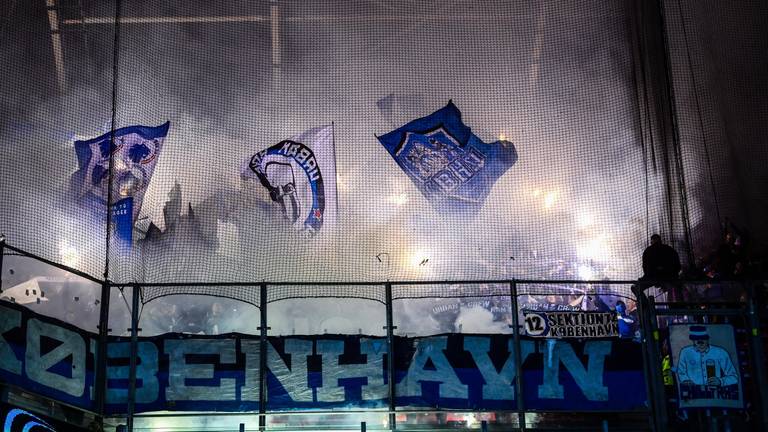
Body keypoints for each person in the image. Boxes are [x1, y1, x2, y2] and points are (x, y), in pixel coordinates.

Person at [676, 325, 739, 401]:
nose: (700, 342)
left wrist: (720, 381)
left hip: (716, 397)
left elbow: (734, 377)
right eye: (697, 339)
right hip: (693, 397)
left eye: (703, 338)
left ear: (708, 339)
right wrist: (685, 380)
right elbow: (681, 372)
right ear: (692, 340)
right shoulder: (685, 352)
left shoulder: (720, 352)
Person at [634, 234, 683, 301]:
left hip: (653, 277)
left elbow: (645, 268)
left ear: (651, 242)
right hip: (669, 277)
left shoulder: (648, 251)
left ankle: (645, 306)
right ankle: (677, 307)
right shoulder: (669, 249)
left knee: (636, 287)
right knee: (675, 289)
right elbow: (678, 266)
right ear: (660, 240)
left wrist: (652, 276)